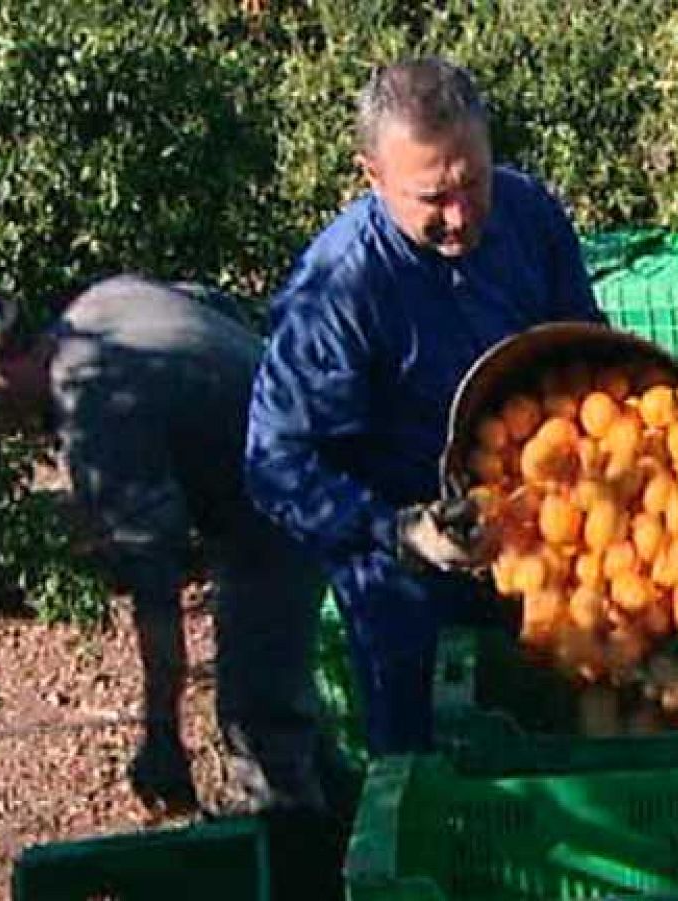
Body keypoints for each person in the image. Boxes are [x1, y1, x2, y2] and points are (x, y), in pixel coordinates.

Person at [245, 57, 606, 754]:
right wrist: (400, 531)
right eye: (433, 198)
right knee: (433, 756)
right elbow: (275, 462)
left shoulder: (528, 215)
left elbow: (582, 349)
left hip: (532, 529)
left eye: (474, 181)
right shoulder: (339, 290)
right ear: (372, 177)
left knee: (562, 729)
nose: (462, 214)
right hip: (405, 574)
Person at [0, 274, 341, 819]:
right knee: (279, 693)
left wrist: (161, 734)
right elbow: (215, 306)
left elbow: (156, 589)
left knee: (258, 724)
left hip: (286, 502)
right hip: (307, 454)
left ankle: (299, 865)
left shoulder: (96, 410)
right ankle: (336, 823)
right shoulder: (101, 304)